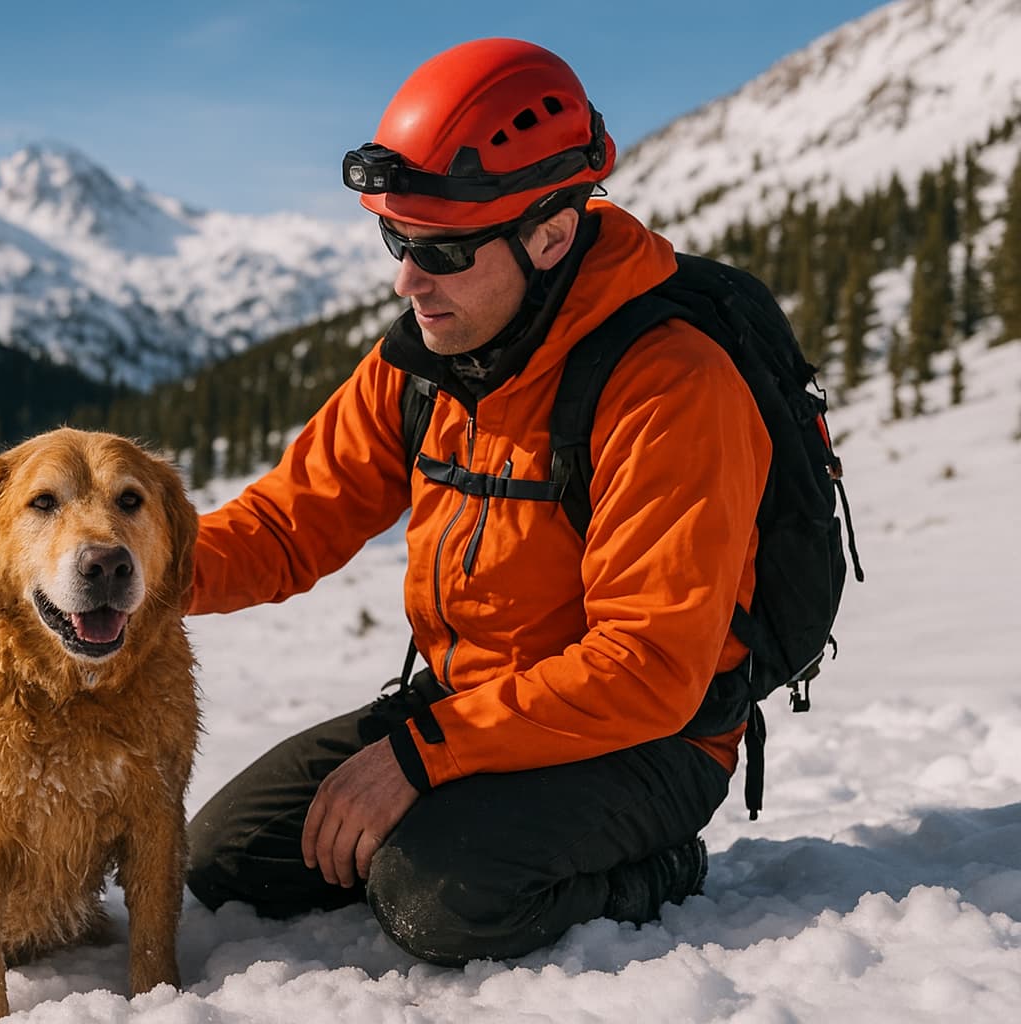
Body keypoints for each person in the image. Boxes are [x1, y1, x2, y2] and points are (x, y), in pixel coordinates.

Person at [183, 37, 772, 965]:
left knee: (441, 900)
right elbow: (292, 521)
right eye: (397, 240)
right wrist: (136, 576)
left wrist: (419, 760)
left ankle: (659, 868)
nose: (405, 281)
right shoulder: (425, 360)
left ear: (549, 234)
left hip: (649, 740)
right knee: (224, 859)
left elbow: (648, 666)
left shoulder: (669, 388)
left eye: (442, 251)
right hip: (470, 705)